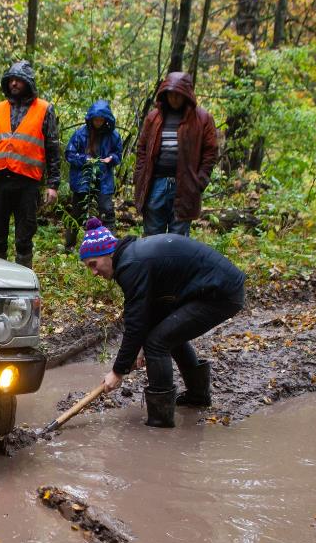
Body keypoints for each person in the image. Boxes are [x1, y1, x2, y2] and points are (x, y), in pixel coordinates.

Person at [77, 217, 244, 428]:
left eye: (94, 264)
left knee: (157, 343)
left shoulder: (131, 264)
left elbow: (136, 322)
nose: (93, 272)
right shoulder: (131, 258)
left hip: (219, 293)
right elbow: (151, 307)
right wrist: (136, 350)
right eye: (88, 267)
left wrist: (118, 371)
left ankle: (161, 420)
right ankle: (197, 398)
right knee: (168, 334)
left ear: (108, 253)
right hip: (210, 289)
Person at [0, 60, 61, 268]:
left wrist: (52, 185)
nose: (13, 84)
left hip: (27, 184)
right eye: (10, 80)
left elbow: (53, 149)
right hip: (0, 181)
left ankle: (23, 281)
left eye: (18, 80)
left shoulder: (44, 109)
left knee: (24, 237)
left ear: (28, 82)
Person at [133, 72, 218, 236]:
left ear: (187, 94)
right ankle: (154, 262)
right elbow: (142, 148)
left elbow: (210, 151)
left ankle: (175, 263)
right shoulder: (154, 117)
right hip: (156, 183)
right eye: (171, 94)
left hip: (185, 185)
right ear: (165, 94)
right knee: (152, 235)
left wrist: (199, 181)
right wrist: (139, 176)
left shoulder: (202, 118)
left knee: (178, 239)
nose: (174, 99)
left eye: (178, 95)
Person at [63, 100, 122, 251]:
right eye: (96, 119)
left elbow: (118, 154)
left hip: (103, 179)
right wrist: (85, 160)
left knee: (106, 210)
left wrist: (111, 159)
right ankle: (69, 246)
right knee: (77, 211)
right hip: (83, 178)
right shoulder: (80, 134)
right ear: (90, 119)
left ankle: (111, 247)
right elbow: (69, 154)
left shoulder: (113, 136)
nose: (98, 122)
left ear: (106, 120)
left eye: (101, 119)